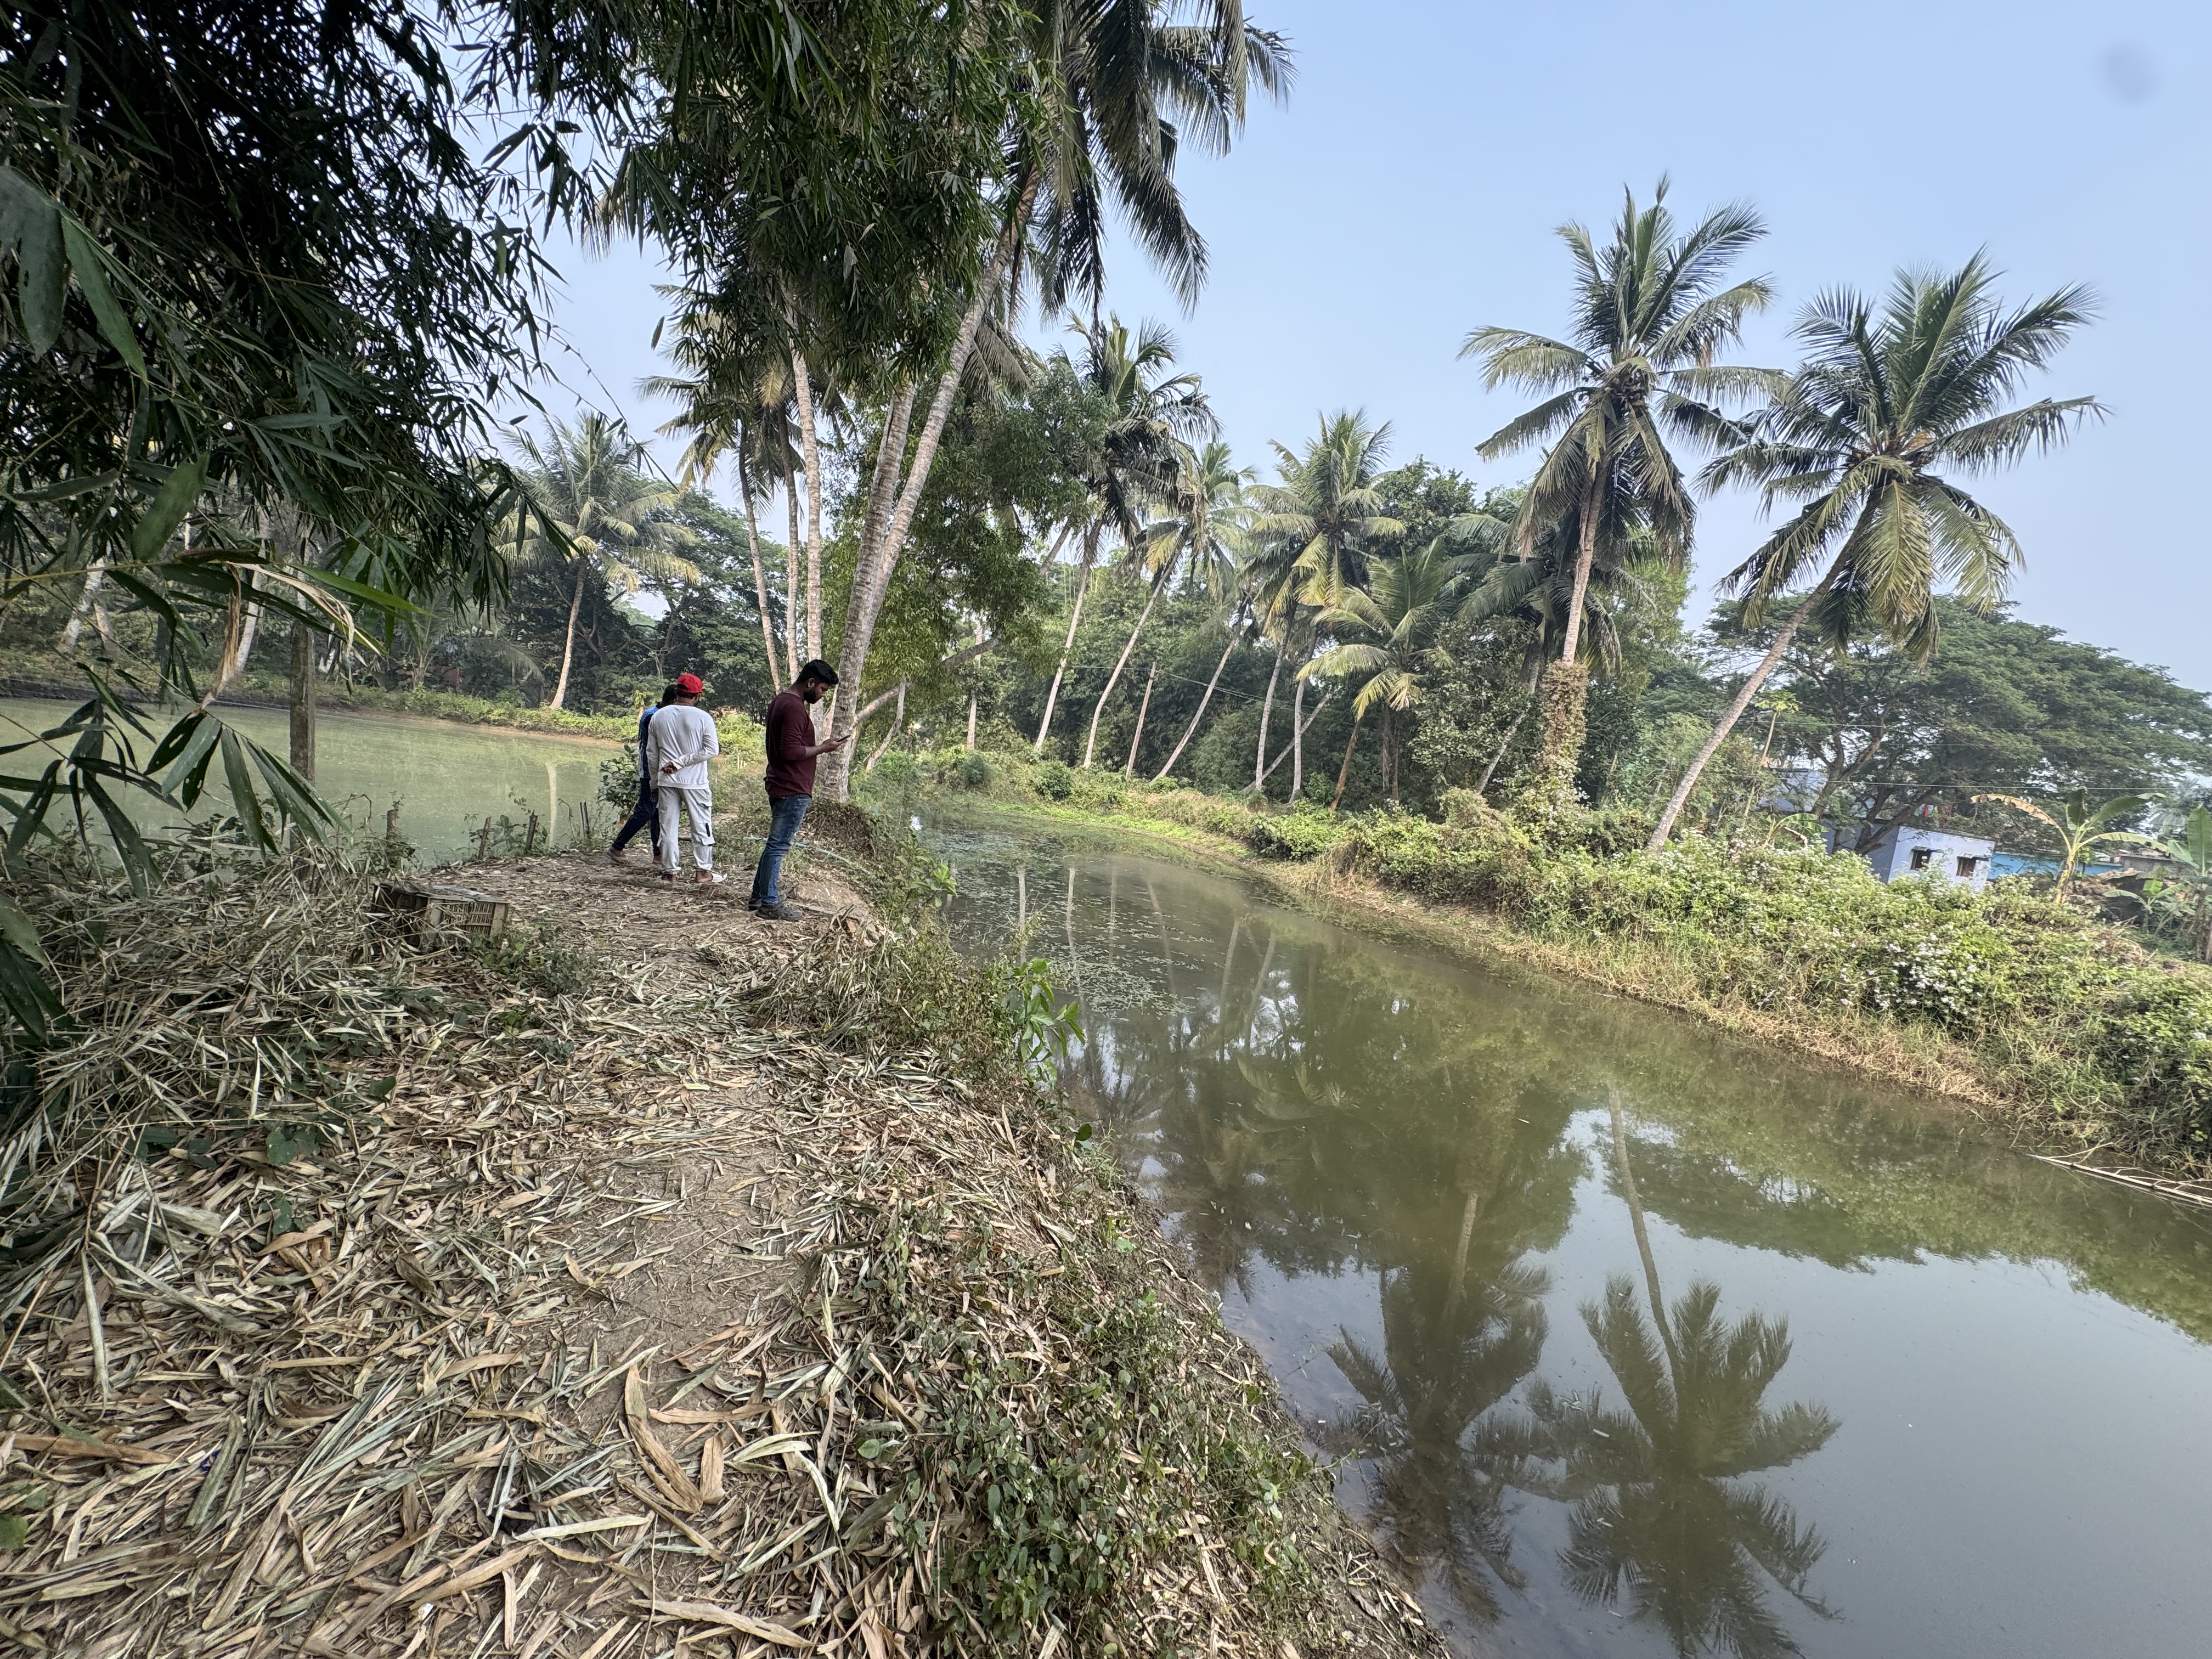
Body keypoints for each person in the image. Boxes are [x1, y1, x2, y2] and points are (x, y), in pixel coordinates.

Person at [749, 658, 844, 921]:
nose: (822, 695)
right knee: (778, 846)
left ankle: (759, 896)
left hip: (783, 783)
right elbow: (790, 752)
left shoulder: (783, 701)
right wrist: (824, 748)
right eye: (823, 690)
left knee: (774, 845)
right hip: (792, 786)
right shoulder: (793, 708)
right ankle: (768, 903)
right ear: (810, 682)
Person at [648, 672, 724, 885]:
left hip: (666, 781)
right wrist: (683, 762)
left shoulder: (659, 716)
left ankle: (670, 871)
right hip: (695, 782)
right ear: (697, 695)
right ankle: (703, 872)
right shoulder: (703, 718)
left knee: (668, 826)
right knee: (701, 825)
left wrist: (655, 781)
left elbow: (651, 754)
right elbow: (711, 750)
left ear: (677, 692)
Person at [609, 684, 681, 864]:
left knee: (657, 811)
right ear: (673, 701)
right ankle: (617, 847)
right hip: (650, 770)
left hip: (658, 770)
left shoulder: (654, 713)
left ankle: (658, 854)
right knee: (646, 810)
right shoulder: (654, 717)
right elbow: (655, 749)